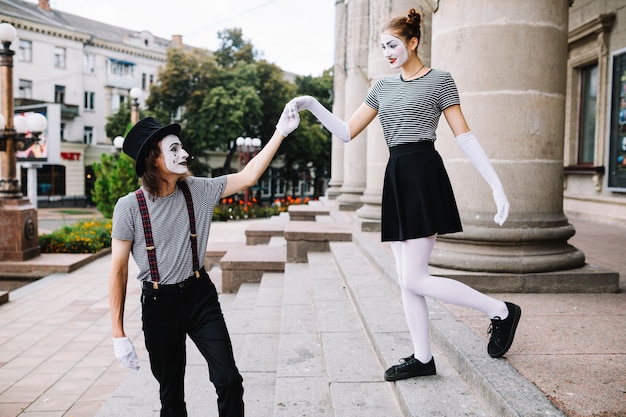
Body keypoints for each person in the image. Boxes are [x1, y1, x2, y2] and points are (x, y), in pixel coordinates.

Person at [288, 8, 521, 382]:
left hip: (423, 174)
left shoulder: (440, 81)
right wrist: (312, 105)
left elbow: (465, 135)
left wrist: (496, 184)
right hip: (396, 175)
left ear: (413, 42)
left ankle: (501, 310)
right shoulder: (381, 87)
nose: (388, 52)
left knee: (413, 279)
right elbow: (347, 132)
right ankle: (423, 358)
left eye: (393, 45)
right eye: (383, 47)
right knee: (407, 278)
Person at [109, 105, 299, 416]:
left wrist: (280, 132)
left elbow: (248, 176)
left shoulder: (198, 190)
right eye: (174, 148)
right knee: (171, 397)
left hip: (200, 297)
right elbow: (118, 271)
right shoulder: (128, 208)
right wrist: (118, 333)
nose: (184, 153)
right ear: (152, 160)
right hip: (159, 304)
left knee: (228, 380)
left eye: (181, 146)